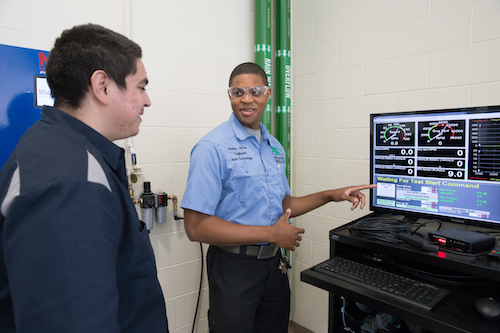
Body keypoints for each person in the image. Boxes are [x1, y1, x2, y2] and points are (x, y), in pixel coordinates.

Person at [180, 62, 376, 333]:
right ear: (230, 95)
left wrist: (332, 195)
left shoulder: (273, 147)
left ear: (268, 94)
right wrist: (272, 234)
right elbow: (195, 227)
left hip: (274, 266)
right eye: (238, 92)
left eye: (255, 91)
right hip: (234, 267)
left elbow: (284, 206)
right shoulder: (212, 148)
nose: (247, 99)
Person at [0, 24, 168, 332]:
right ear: (102, 86)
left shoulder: (67, 151)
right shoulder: (69, 180)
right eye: (141, 87)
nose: (147, 101)